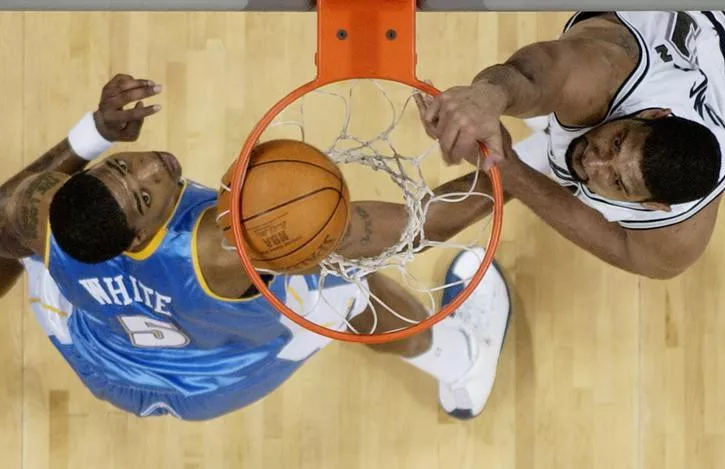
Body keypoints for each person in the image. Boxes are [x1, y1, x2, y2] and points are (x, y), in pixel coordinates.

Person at [0, 74, 511, 421]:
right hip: (217, 373)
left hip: (106, 356)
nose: (153, 165)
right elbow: (417, 228)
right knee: (346, 283)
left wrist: (93, 134)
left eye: (120, 164)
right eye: (145, 195)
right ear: (138, 235)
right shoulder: (225, 241)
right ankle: (462, 361)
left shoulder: (45, 215)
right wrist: (529, 163)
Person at [417, 11, 725, 279]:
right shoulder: (606, 73)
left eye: (618, 183)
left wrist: (510, 170)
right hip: (722, 20)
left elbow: (625, 248)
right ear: (653, 115)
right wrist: (490, 96)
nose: (594, 164)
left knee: (486, 186)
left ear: (652, 206)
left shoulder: (675, 241)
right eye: (616, 142)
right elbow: (536, 72)